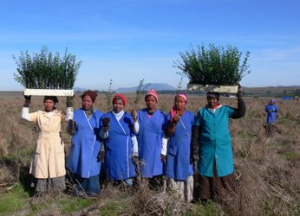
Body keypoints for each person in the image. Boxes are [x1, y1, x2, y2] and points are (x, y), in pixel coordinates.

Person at [192, 87, 246, 201]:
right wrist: (194, 149)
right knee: (206, 169)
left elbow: (241, 113)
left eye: (213, 98)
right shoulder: (202, 112)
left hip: (223, 149)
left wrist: (239, 97)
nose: (211, 101)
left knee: (223, 169)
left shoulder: (225, 110)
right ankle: (205, 196)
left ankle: (224, 196)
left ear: (217, 99)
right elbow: (196, 132)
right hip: (207, 148)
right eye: (209, 98)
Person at [21, 95, 71, 195]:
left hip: (55, 144)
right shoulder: (39, 114)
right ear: (44, 102)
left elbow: (70, 117)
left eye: (50, 102)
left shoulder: (59, 114)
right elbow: (24, 116)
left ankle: (56, 191)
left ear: (54, 103)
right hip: (42, 143)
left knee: (55, 166)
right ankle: (41, 192)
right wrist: (27, 101)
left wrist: (69, 103)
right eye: (46, 102)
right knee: (41, 166)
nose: (48, 104)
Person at [66, 90, 103, 197]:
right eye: (84, 101)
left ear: (93, 102)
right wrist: (71, 126)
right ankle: (77, 191)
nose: (86, 103)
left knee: (92, 168)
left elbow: (103, 134)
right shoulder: (76, 113)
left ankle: (92, 191)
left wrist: (102, 149)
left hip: (93, 147)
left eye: (89, 101)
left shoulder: (99, 115)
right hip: (78, 146)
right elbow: (70, 132)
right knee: (78, 166)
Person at [99, 93, 138, 186]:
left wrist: (135, 151)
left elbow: (134, 135)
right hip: (111, 150)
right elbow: (102, 136)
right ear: (113, 104)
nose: (118, 106)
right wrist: (104, 128)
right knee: (112, 176)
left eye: (120, 104)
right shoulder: (106, 117)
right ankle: (111, 188)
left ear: (124, 105)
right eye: (116, 103)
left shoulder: (128, 117)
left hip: (126, 152)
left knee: (128, 180)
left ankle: (127, 186)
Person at [131, 89, 167, 188]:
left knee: (156, 169)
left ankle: (156, 191)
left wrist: (164, 151)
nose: (150, 102)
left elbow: (164, 135)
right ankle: (143, 192)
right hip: (144, 145)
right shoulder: (140, 114)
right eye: (148, 100)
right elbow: (136, 131)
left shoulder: (162, 115)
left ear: (156, 101)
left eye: (152, 100)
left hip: (157, 146)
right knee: (144, 168)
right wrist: (135, 120)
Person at [164, 93, 195, 202]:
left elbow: (195, 133)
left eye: (181, 102)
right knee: (173, 170)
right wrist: (173, 123)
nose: (179, 104)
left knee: (186, 170)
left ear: (185, 103)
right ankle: (174, 197)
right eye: (177, 101)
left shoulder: (191, 116)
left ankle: (187, 198)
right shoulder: (169, 116)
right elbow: (167, 134)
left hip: (187, 149)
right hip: (174, 148)